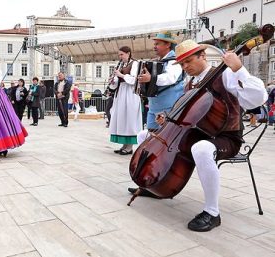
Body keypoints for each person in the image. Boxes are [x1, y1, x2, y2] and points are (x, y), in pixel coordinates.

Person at [131, 39, 268, 232]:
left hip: (226, 137)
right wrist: (168, 119)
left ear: (202, 56)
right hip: (198, 133)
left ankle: (212, 212)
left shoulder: (225, 75)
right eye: (182, 64)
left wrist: (239, 70)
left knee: (201, 149)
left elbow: (258, 98)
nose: (185, 67)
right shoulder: (191, 84)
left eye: (188, 61)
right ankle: (155, 181)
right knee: (144, 135)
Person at [137, 31, 184, 131]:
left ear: (168, 44)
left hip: (169, 107)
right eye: (154, 44)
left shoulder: (174, 61)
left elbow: (171, 78)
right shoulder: (158, 61)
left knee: (165, 137)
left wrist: (151, 79)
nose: (154, 46)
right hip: (154, 107)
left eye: (157, 44)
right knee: (151, 135)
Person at [109, 46, 143, 155]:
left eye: (121, 54)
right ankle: (124, 145)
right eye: (119, 55)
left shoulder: (135, 64)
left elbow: (134, 80)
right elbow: (118, 82)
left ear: (128, 53)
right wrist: (113, 81)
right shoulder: (122, 65)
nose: (120, 57)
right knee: (122, 119)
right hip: (121, 94)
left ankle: (129, 147)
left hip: (130, 94)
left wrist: (121, 75)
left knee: (130, 119)